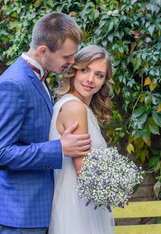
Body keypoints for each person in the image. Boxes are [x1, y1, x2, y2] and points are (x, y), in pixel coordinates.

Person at [0, 12, 92, 233]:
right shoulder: (12, 85)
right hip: (22, 213)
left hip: (40, 208)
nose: (72, 62)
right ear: (43, 51)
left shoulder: (39, 76)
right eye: (66, 57)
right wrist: (59, 148)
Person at [48, 45, 116, 234]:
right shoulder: (75, 108)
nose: (90, 80)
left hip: (75, 204)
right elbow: (86, 174)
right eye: (85, 70)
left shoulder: (71, 105)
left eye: (99, 75)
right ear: (74, 71)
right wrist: (118, 184)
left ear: (104, 81)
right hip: (76, 210)